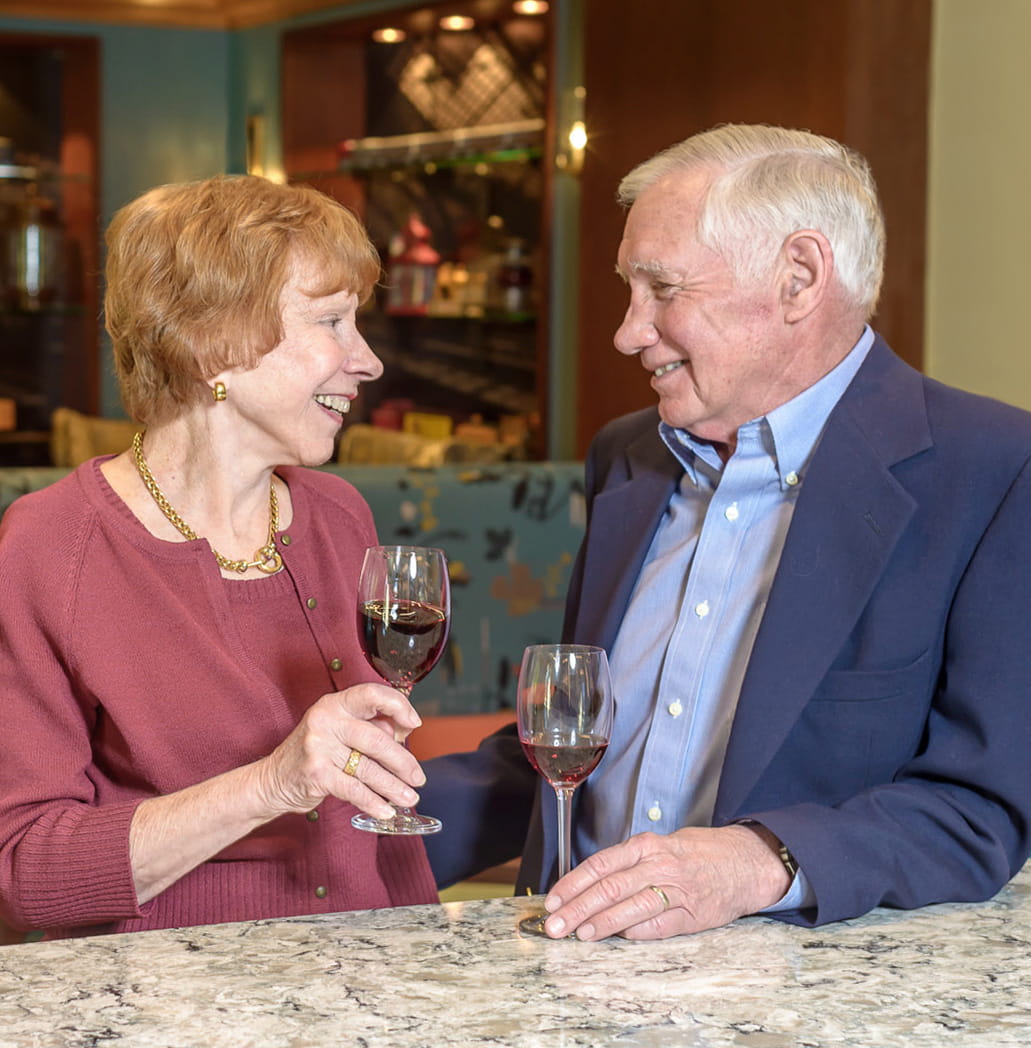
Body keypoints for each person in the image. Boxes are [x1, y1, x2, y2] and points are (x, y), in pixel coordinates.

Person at [423, 123, 1031, 941]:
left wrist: (751, 863)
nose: (627, 331)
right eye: (628, 290)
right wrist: (322, 825)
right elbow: (578, 746)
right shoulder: (628, 456)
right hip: (560, 974)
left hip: (792, 999)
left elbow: (977, 810)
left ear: (799, 278)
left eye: (662, 289)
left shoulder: (992, 471)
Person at [0, 175, 439, 939]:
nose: (366, 361)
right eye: (332, 321)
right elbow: (24, 874)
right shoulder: (49, 546)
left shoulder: (340, 517)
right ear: (213, 346)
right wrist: (273, 783)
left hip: (370, 977)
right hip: (169, 998)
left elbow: (382, 815)